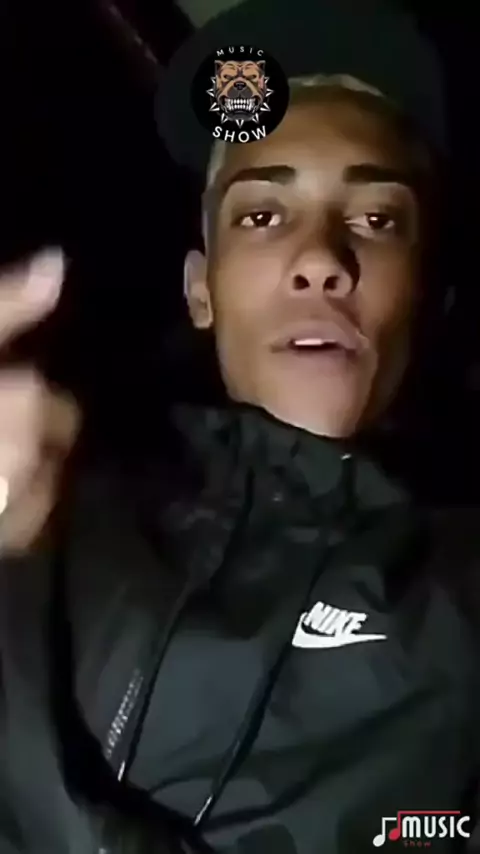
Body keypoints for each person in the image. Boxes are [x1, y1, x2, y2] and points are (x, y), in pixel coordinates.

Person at [1, 1, 479, 852]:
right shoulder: (58, 503)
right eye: (262, 215)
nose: (321, 260)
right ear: (201, 289)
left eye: (378, 220)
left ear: (429, 297)